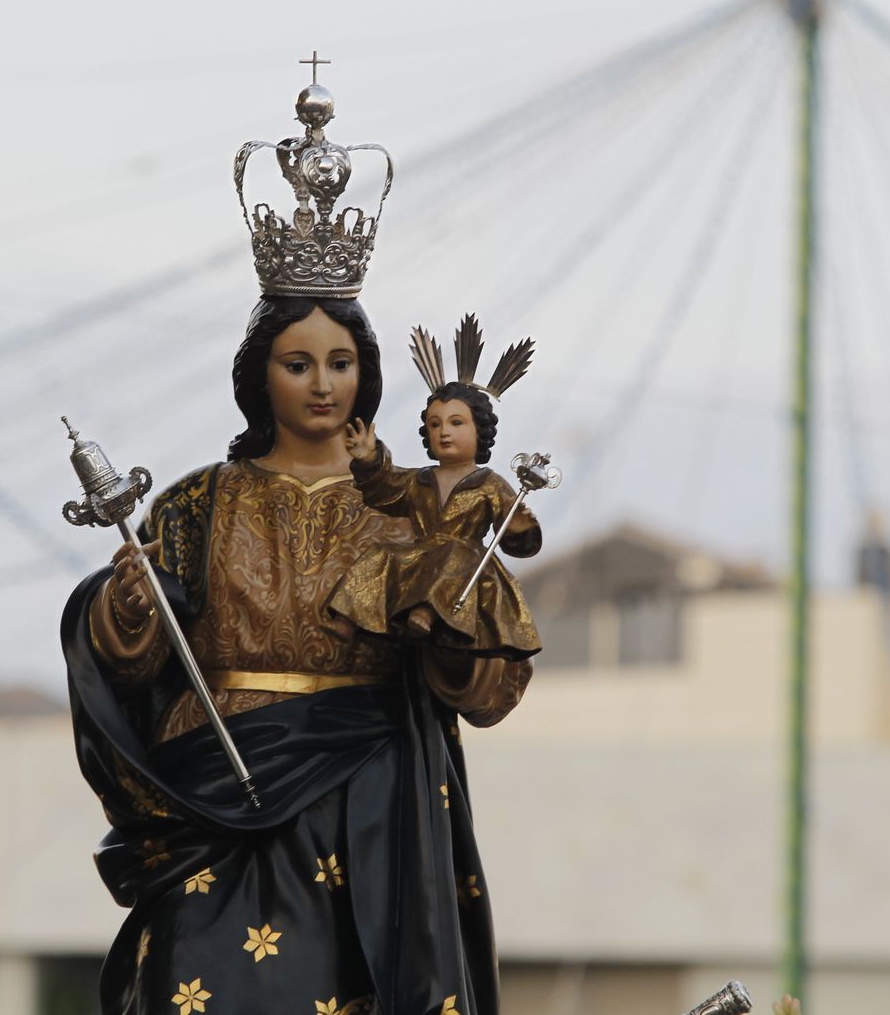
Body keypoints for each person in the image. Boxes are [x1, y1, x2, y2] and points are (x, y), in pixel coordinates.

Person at [60, 293, 535, 1015]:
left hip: (365, 808)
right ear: (260, 377)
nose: (322, 385)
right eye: (298, 364)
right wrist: (125, 609)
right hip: (216, 796)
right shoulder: (194, 504)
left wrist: (454, 633)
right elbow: (137, 667)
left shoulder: (415, 508)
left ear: (364, 377)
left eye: (340, 364)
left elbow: (482, 685)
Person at [326, 378, 542, 660]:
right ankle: (348, 619)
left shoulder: (490, 484)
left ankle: (427, 611)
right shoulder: (420, 479)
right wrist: (369, 460)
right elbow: (385, 489)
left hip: (466, 561)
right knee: (381, 553)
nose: (444, 433)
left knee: (455, 553)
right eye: (435, 424)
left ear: (480, 430)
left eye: (456, 423)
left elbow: (511, 537)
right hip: (421, 555)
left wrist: (518, 528)